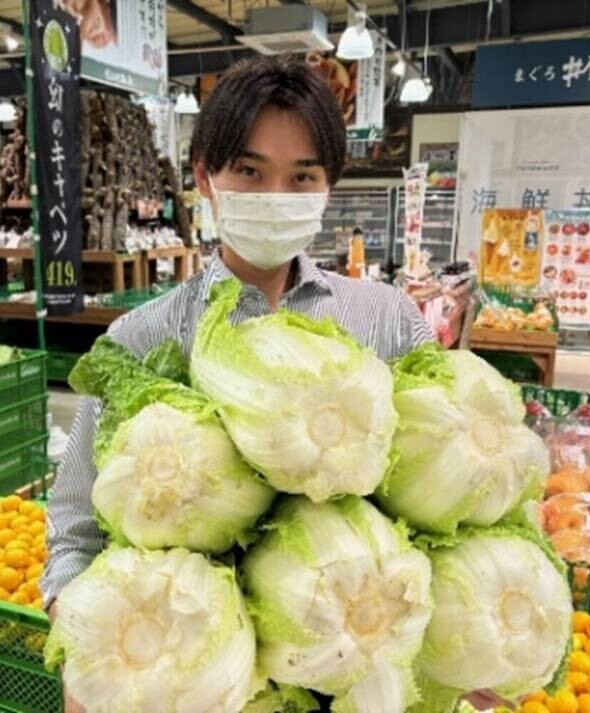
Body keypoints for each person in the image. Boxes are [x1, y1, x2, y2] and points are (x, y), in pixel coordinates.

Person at [41, 55, 486, 712]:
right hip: (198, 679)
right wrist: (84, 650)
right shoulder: (141, 338)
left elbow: (462, 499)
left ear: (327, 187)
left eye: (301, 176)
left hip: (359, 670)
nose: (275, 194)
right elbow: (76, 527)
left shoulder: (385, 320)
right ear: (205, 177)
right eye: (249, 171)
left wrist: (467, 639)